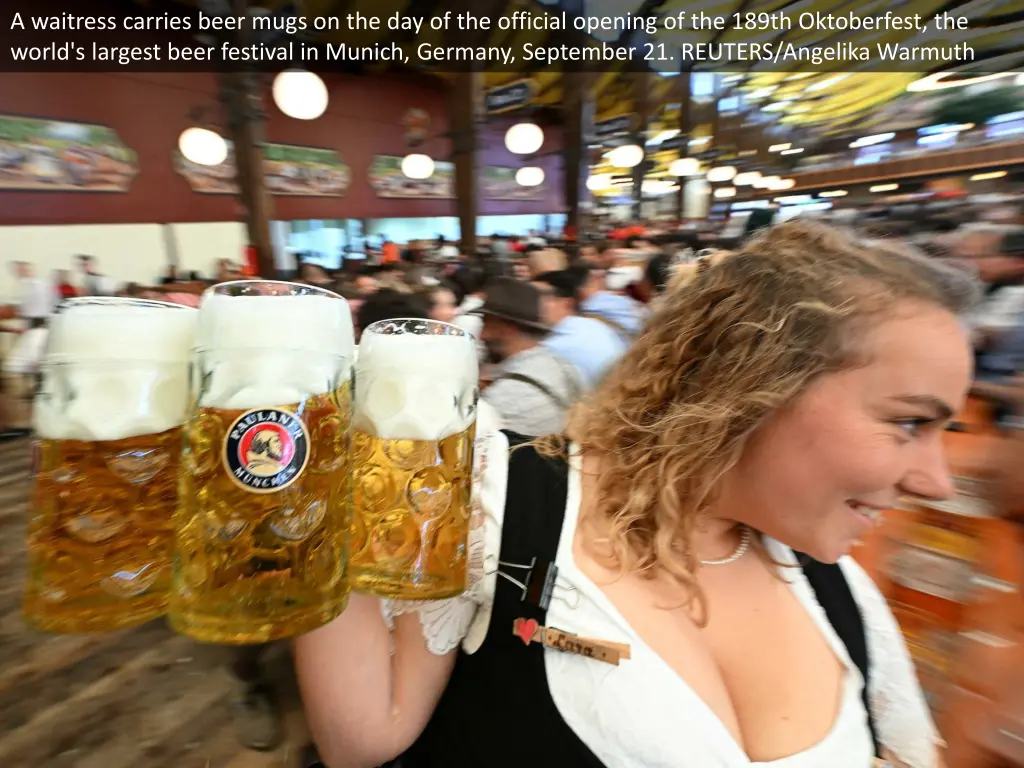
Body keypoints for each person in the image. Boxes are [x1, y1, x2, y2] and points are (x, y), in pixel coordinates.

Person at [295, 220, 973, 768]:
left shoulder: (838, 587)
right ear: (758, 382)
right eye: (910, 422)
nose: (936, 481)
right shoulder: (497, 506)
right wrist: (312, 485)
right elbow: (362, 741)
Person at [477, 278, 583, 436]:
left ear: (507, 329)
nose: (481, 336)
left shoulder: (503, 399)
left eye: (486, 325)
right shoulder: (563, 366)